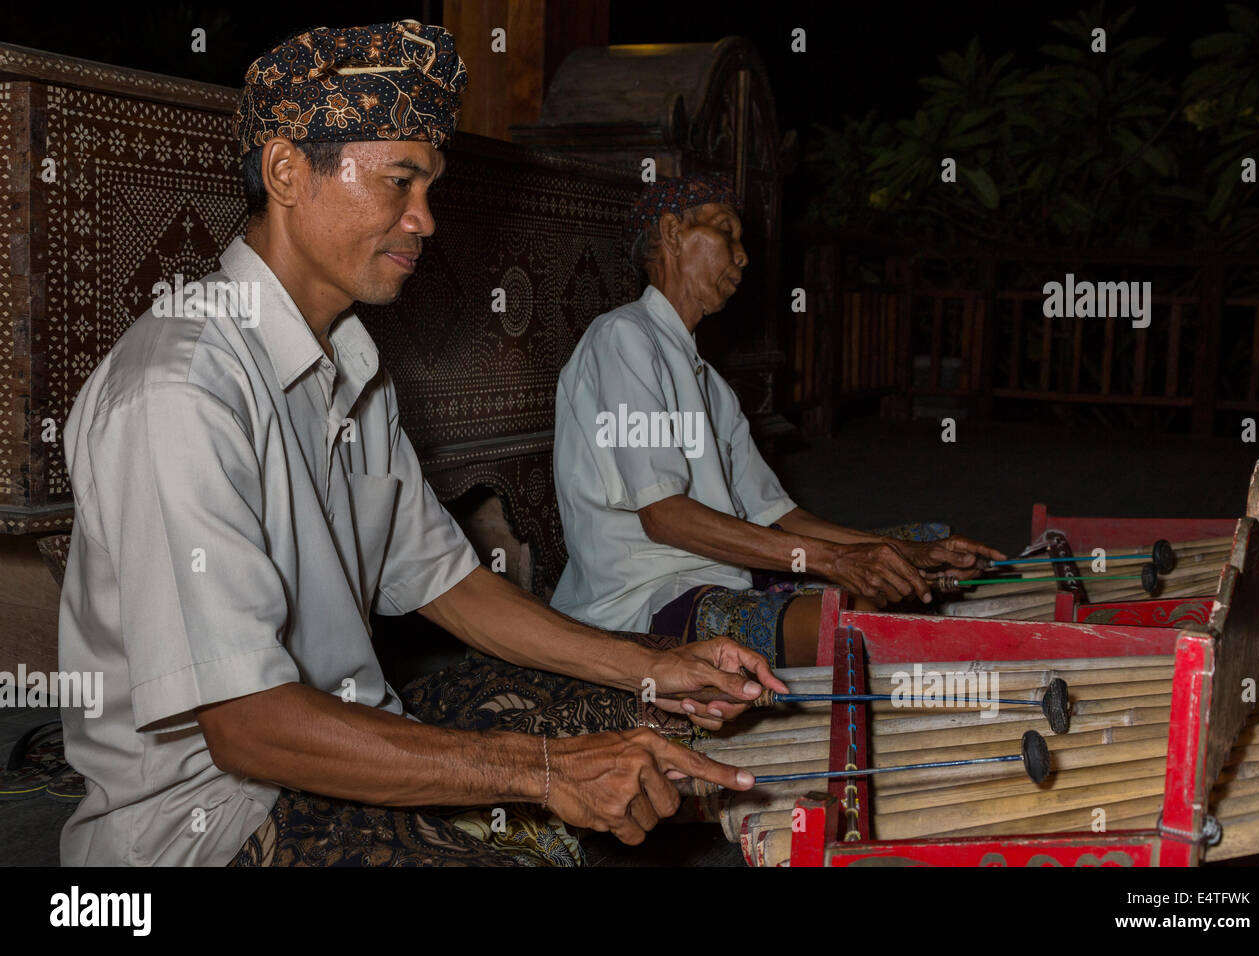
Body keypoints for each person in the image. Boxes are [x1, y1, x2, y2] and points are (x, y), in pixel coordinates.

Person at [57, 21, 782, 868]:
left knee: (658, 708)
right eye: (401, 182)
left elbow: (450, 584)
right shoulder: (179, 391)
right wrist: (544, 771)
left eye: (429, 187)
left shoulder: (356, 367)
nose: (425, 220)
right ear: (289, 171)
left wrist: (648, 666)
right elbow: (248, 729)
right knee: (535, 818)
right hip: (220, 818)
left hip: (355, 728)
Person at [550, 174, 1005, 668]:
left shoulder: (710, 384)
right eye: (727, 231)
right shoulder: (623, 337)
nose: (743, 256)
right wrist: (834, 560)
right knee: (864, 622)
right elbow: (664, 516)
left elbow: (780, 517)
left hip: (723, 578)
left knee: (904, 566)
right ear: (672, 231)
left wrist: (906, 551)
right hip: (642, 602)